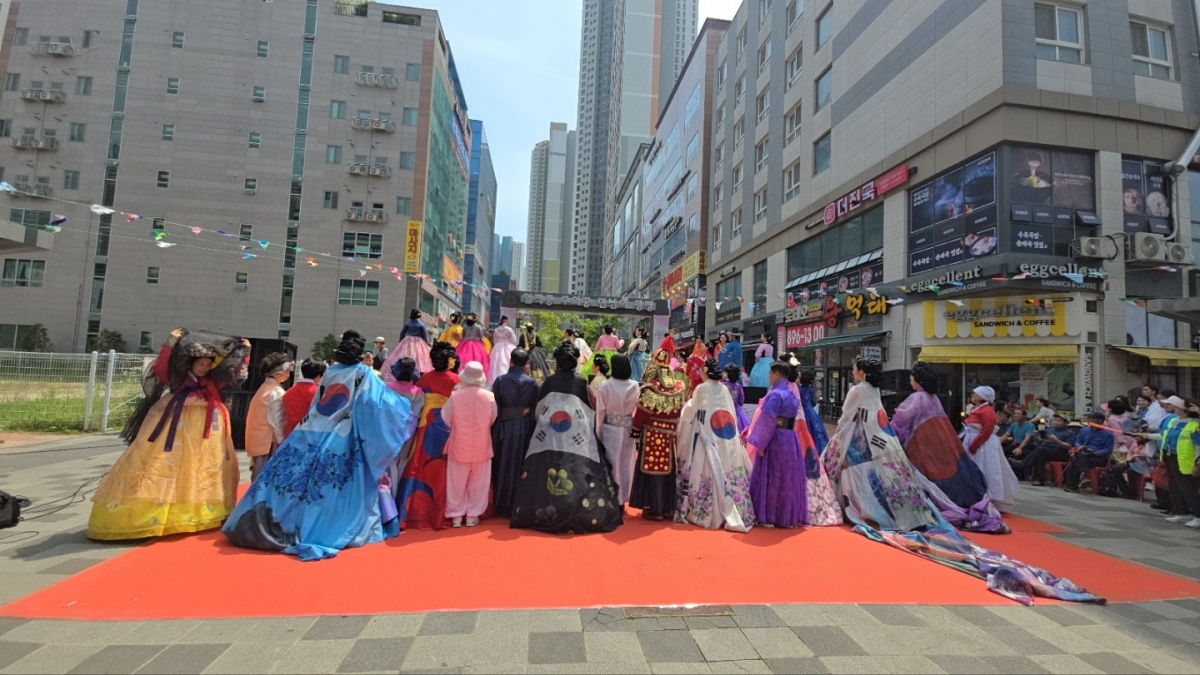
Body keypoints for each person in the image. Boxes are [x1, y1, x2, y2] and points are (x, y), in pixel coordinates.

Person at [222, 331, 413, 561]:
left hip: (312, 427)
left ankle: (271, 518)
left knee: (289, 474)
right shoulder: (363, 373)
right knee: (339, 482)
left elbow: (317, 403)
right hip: (344, 431)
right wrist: (402, 406)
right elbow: (372, 403)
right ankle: (319, 525)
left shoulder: (331, 371)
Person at [87, 329, 249, 541]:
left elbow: (236, 374)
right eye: (201, 364)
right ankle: (152, 514)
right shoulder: (178, 379)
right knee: (162, 464)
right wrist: (170, 342)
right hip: (177, 424)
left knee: (201, 467)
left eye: (208, 365)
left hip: (205, 433)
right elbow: (161, 367)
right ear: (191, 363)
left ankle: (201, 512)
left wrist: (246, 352)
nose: (204, 368)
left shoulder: (211, 383)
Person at [510, 342, 623, 533]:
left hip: (549, 436)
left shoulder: (549, 382)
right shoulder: (580, 382)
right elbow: (590, 409)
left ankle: (542, 510)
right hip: (576, 434)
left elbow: (539, 410)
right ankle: (579, 509)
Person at [822, 358, 939, 531]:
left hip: (858, 435)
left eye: (855, 368)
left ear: (862, 372)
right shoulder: (874, 389)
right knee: (884, 472)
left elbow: (847, 415)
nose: (853, 371)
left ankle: (858, 506)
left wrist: (838, 436)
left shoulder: (857, 389)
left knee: (844, 469)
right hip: (879, 435)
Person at [890, 362, 1005, 532]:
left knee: (927, 480)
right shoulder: (933, 398)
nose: (910, 380)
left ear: (917, 379)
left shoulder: (917, 398)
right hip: (938, 445)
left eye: (912, 377)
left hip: (923, 446)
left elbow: (900, 422)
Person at [675, 358, 755, 531]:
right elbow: (731, 411)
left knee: (704, 469)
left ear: (705, 372)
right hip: (726, 436)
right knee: (728, 465)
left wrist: (682, 423)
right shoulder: (724, 388)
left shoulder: (702, 388)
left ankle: (705, 510)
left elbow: (691, 410)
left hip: (706, 435)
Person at [396, 341, 459, 530]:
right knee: (445, 468)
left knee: (418, 467)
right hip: (448, 428)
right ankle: (443, 511)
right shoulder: (457, 381)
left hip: (425, 427)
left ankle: (411, 509)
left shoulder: (423, 380)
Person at [744, 360, 808, 528]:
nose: (769, 377)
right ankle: (785, 517)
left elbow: (767, 420)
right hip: (790, 438)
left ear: (777, 374)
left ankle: (767, 516)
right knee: (786, 478)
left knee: (770, 476)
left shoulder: (775, 395)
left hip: (774, 438)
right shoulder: (792, 394)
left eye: (770, 374)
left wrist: (760, 444)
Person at [629, 339, 688, 520]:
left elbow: (642, 413)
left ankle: (653, 507)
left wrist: (635, 428)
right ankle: (667, 507)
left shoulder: (650, 389)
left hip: (652, 433)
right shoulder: (679, 388)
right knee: (668, 469)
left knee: (652, 468)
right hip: (670, 436)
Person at [442, 362, 496, 527]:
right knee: (479, 483)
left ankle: (456, 515)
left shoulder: (455, 396)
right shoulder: (489, 397)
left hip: (459, 444)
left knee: (455, 483)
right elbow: (493, 418)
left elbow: (445, 417)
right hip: (481, 444)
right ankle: (473, 515)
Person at [491, 349, 539, 518]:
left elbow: (494, 406)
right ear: (526, 364)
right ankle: (518, 503)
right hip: (525, 425)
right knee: (520, 463)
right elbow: (535, 407)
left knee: (502, 463)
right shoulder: (531, 382)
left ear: (510, 361)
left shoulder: (500, 380)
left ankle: (500, 503)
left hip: (503, 426)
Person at [961, 386, 1020, 512]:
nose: (972, 395)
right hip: (977, 441)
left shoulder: (987, 411)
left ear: (982, 397)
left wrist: (973, 445)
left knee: (985, 468)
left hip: (984, 446)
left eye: (974, 394)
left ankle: (987, 497)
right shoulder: (978, 409)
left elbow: (986, 431)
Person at [595, 354, 640, 507]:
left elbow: (600, 411)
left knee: (611, 464)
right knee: (626, 464)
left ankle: (612, 497)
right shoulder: (634, 386)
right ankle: (624, 497)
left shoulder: (605, 386)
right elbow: (635, 410)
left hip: (609, 429)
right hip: (627, 428)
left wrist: (597, 431)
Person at [246, 353, 293, 481]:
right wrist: (281, 440)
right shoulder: (276, 392)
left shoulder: (264, 388)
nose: (288, 373)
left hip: (257, 437)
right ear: (276, 373)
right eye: (286, 370)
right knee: (263, 476)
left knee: (258, 473)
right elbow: (277, 420)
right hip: (268, 440)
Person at [384, 357, 425, 497]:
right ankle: (399, 499)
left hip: (387, 430)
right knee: (402, 465)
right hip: (409, 431)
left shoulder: (386, 387)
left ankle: (387, 499)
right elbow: (418, 412)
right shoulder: (418, 391)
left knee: (387, 467)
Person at [1155, 402, 1200, 526]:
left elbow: (1198, 445)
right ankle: (1181, 512)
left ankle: (1197, 514)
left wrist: (1198, 462)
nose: (1174, 407)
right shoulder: (1174, 421)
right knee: (1174, 486)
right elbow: (1164, 437)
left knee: (1189, 488)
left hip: (1187, 459)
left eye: (1177, 405)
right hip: (1171, 456)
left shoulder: (1194, 424)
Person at [1063, 411, 1114, 492]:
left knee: (1077, 459)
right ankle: (1077, 480)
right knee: (1079, 457)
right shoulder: (1084, 430)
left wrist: (1096, 453)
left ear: (1099, 421)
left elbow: (1108, 449)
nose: (1088, 419)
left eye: (1091, 418)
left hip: (1098, 457)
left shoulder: (1108, 434)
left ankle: (1075, 482)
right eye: (1088, 418)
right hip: (1083, 453)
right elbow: (1077, 441)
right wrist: (1079, 446)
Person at [1019, 414, 1076, 485]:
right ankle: (1039, 480)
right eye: (1055, 420)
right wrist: (1036, 436)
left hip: (1060, 452)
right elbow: (1040, 441)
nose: (1056, 422)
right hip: (1046, 450)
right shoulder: (1049, 429)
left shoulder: (1069, 433)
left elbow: (1069, 446)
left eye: (1059, 421)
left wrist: (1057, 440)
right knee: (1040, 456)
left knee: (1041, 450)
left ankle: (1022, 463)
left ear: (1066, 423)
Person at [282, 358, 326, 437]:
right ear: (318, 375)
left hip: (289, 436)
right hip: (310, 436)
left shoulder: (287, 393)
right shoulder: (319, 393)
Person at [385, 309, 433, 378]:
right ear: (419, 316)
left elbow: (402, 333)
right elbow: (424, 335)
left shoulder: (408, 323)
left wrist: (401, 342)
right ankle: (418, 370)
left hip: (407, 341)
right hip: (418, 342)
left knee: (407, 355)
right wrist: (426, 344)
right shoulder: (421, 324)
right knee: (418, 357)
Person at [798, 370, 829, 455]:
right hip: (811, 412)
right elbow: (813, 402)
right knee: (816, 429)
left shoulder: (798, 389)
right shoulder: (810, 390)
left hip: (801, 412)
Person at [456, 313, 491, 381]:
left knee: (462, 358)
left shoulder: (464, 327)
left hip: (464, 344)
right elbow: (481, 336)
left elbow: (463, 336)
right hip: (476, 344)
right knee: (478, 359)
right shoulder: (478, 327)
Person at [488, 315, 518, 388]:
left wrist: (497, 345)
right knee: (507, 362)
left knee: (496, 364)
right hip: (508, 345)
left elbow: (495, 340)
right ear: (505, 320)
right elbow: (514, 340)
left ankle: (496, 380)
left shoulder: (497, 329)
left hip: (498, 346)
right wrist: (513, 346)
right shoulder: (509, 329)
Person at [722, 364, 750, 433]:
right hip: (736, 410)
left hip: (724, 409)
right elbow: (741, 401)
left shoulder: (723, 385)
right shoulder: (738, 386)